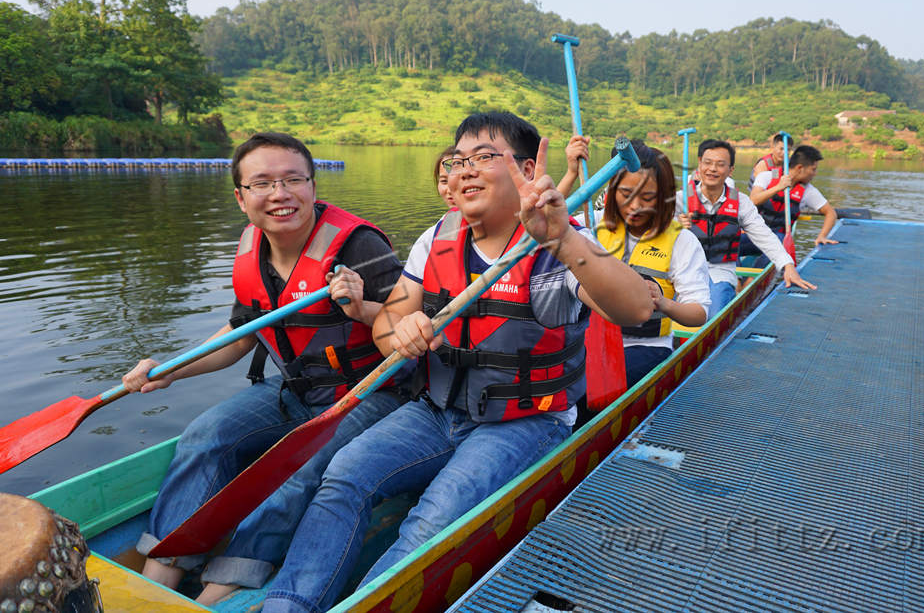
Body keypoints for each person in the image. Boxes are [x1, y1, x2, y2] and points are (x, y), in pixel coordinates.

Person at [260, 112, 653, 613]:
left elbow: (637, 309)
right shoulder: (437, 238)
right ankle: (287, 605)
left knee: (434, 516)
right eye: (458, 159)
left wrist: (562, 237)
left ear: (528, 171)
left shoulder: (562, 245)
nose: (464, 170)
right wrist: (399, 330)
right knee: (344, 474)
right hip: (437, 410)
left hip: (526, 420)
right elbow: (386, 327)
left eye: (484, 157)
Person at [121, 132, 408, 605]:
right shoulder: (251, 247)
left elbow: (414, 327)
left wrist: (361, 307)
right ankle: (163, 568)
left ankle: (223, 587)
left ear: (314, 187)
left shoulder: (358, 246)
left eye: (293, 179)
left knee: (300, 461)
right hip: (294, 389)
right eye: (263, 183)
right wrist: (172, 369)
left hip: (371, 393)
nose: (280, 194)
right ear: (241, 197)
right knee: (205, 434)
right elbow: (240, 335)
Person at [588, 138, 710, 387]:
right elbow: (547, 230)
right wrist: (570, 173)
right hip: (588, 342)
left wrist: (662, 302)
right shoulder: (591, 223)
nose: (635, 206)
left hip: (645, 346)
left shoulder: (682, 241)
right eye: (626, 194)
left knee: (591, 386)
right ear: (611, 191)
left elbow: (699, 314)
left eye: (647, 197)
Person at [678, 139, 816, 318]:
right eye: (707, 163)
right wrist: (674, 226)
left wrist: (787, 265)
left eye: (720, 165)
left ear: (730, 171)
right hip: (684, 271)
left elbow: (763, 235)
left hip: (719, 272)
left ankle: (739, 288)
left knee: (712, 317)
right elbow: (652, 229)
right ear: (699, 165)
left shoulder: (741, 202)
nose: (712, 169)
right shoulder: (680, 200)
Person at [747, 143, 839, 265]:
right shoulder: (767, 176)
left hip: (777, 238)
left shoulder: (808, 191)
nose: (815, 174)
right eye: (813, 169)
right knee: (725, 241)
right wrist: (778, 187)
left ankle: (751, 281)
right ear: (800, 168)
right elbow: (753, 200)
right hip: (754, 233)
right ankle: (735, 280)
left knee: (777, 243)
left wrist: (822, 236)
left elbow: (830, 213)